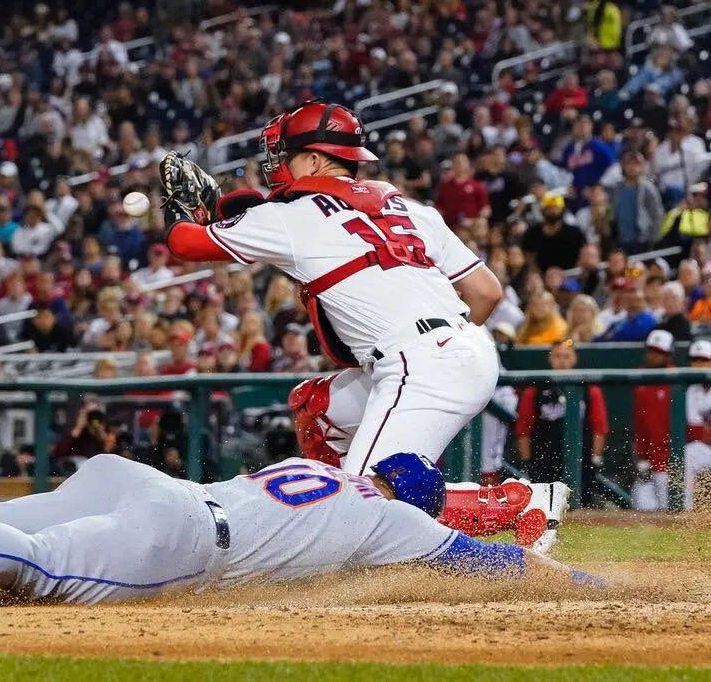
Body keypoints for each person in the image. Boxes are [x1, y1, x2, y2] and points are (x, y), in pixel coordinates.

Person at [160, 101, 569, 550]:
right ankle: (338, 529)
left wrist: (182, 211)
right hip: (457, 346)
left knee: (361, 510)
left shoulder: (289, 215)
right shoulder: (409, 208)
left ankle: (518, 500)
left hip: (418, 363)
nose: (276, 166)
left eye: (285, 155)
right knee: (317, 407)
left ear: (314, 159)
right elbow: (487, 293)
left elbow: (184, 244)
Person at [0, 453, 603, 604]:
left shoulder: (321, 473)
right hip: (182, 541)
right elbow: (491, 565)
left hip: (146, 483)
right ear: (412, 497)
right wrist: (593, 584)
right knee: (36, 568)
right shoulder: (392, 520)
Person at [515, 340, 609, 507]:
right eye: (557, 356)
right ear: (550, 359)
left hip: (580, 457)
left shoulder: (588, 388)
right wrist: (528, 461)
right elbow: (524, 429)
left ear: (575, 359)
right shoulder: (536, 388)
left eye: (567, 356)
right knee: (544, 507)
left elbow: (599, 427)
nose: (562, 361)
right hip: (544, 458)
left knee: (580, 506)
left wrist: (596, 458)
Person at [632, 329, 674, 511]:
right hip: (649, 457)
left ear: (668, 355)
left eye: (659, 353)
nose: (653, 356)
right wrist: (641, 455)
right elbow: (640, 421)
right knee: (641, 505)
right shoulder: (640, 377)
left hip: (673, 457)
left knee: (671, 511)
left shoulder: (677, 376)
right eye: (651, 351)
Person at [685, 340, 711, 443]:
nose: (698, 364)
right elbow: (695, 431)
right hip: (700, 447)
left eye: (704, 360)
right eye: (695, 360)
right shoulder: (691, 391)